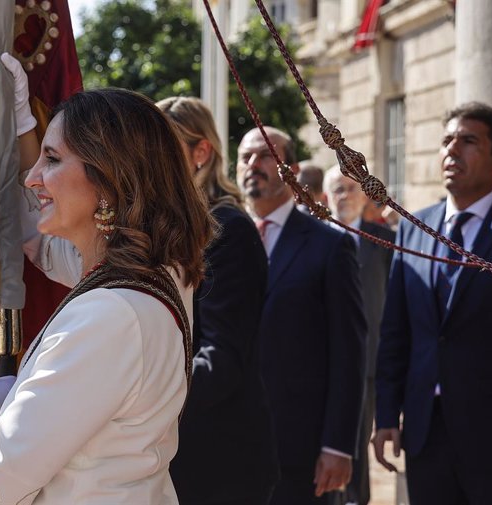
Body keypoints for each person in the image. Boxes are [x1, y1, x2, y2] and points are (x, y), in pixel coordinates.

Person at [0, 88, 214, 504]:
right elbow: (47, 248)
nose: (31, 176)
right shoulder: (141, 283)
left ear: (110, 179)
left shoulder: (110, 313)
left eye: (52, 159)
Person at [373, 102, 492, 504]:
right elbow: (396, 331)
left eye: (468, 141)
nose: (452, 150)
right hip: (427, 437)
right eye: (446, 140)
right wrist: (387, 414)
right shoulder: (415, 229)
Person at [157, 96, 279, 505]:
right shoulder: (174, 225)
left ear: (201, 152)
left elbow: (220, 357)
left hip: (219, 461)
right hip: (178, 453)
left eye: (164, 149)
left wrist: (144, 391)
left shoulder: (228, 229)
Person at [237, 126, 366, 504]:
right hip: (225, 442)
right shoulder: (214, 238)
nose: (252, 165)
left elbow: (349, 351)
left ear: (290, 168)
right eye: (245, 156)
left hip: (297, 449)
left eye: (265, 155)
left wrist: (338, 446)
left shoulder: (330, 245)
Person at [323, 167, 395, 505]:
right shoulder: (314, 240)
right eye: (337, 189)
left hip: (367, 364)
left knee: (356, 444)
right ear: (325, 196)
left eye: (351, 189)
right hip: (318, 363)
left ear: (364, 195)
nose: (345, 196)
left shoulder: (383, 243)